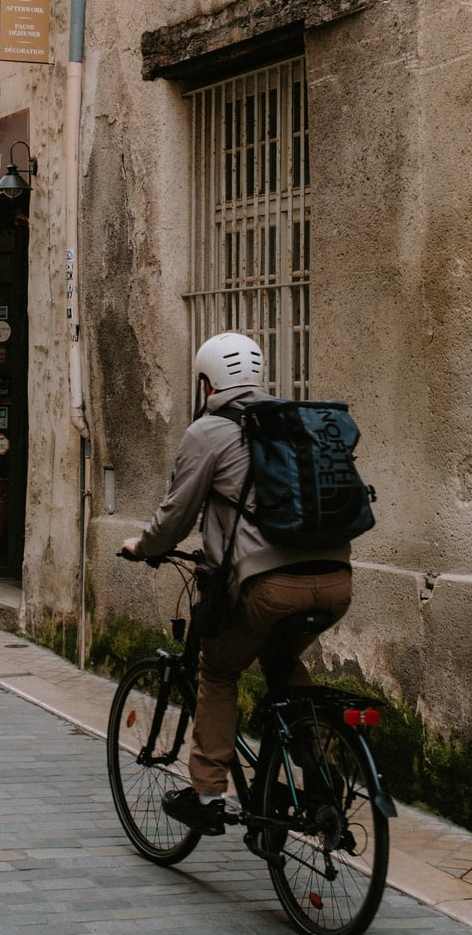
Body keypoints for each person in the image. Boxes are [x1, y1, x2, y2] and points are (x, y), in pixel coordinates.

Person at [121, 332, 353, 836]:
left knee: (219, 669)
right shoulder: (295, 422)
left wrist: (144, 545)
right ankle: (323, 782)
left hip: (269, 587)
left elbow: (176, 515)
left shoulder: (209, 431)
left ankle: (207, 795)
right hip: (337, 581)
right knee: (281, 662)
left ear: (207, 383)